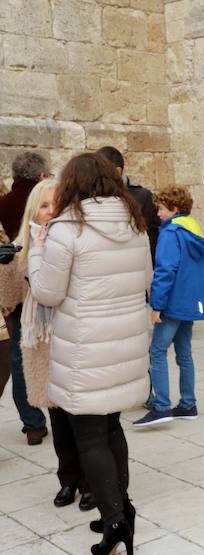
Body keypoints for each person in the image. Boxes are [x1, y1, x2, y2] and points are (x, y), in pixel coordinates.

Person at [28, 153, 152, 555]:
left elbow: (47, 292)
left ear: (71, 185)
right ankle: (123, 506)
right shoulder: (134, 223)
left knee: (91, 436)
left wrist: (36, 248)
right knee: (112, 427)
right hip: (124, 341)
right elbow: (145, 279)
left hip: (86, 347)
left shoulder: (66, 230)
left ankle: (115, 519)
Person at [0, 179, 97, 510]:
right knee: (56, 414)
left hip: (73, 335)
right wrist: (5, 268)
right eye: (44, 205)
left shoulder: (76, 240)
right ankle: (68, 478)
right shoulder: (23, 245)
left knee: (79, 416)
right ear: (34, 210)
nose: (50, 211)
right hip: (42, 342)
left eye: (57, 203)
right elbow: (10, 300)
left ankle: (89, 482)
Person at [134, 186, 204, 427]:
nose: (157, 213)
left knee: (157, 352)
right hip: (189, 301)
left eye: (160, 208)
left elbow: (165, 271)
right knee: (184, 352)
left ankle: (162, 406)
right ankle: (188, 404)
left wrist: (157, 305)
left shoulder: (170, 233)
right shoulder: (194, 228)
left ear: (174, 209)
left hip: (172, 302)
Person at [0, 152, 51, 444]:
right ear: (41, 175)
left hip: (11, 286)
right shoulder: (47, 201)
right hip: (41, 280)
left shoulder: (2, 202)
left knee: (20, 355)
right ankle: (62, 408)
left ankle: (32, 424)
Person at [95, 146, 160, 262]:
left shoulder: (142, 196)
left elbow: (152, 236)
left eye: (100, 172)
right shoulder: (90, 195)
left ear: (118, 171)